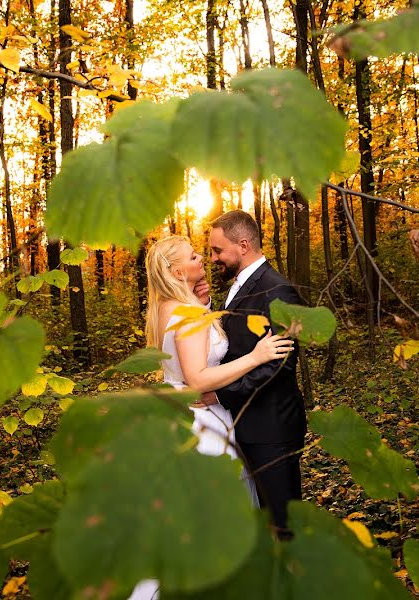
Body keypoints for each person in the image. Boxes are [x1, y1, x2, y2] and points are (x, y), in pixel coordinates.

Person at [129, 234, 293, 600]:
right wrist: (257, 355)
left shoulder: (165, 308)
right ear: (176, 270)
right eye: (193, 256)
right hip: (201, 421)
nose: (201, 257)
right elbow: (198, 378)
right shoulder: (188, 313)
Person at [209, 210, 306, 540]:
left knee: (284, 525)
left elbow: (280, 363)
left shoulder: (277, 290)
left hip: (271, 428)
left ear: (244, 245)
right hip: (242, 425)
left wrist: (221, 394)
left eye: (217, 250)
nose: (213, 258)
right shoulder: (237, 285)